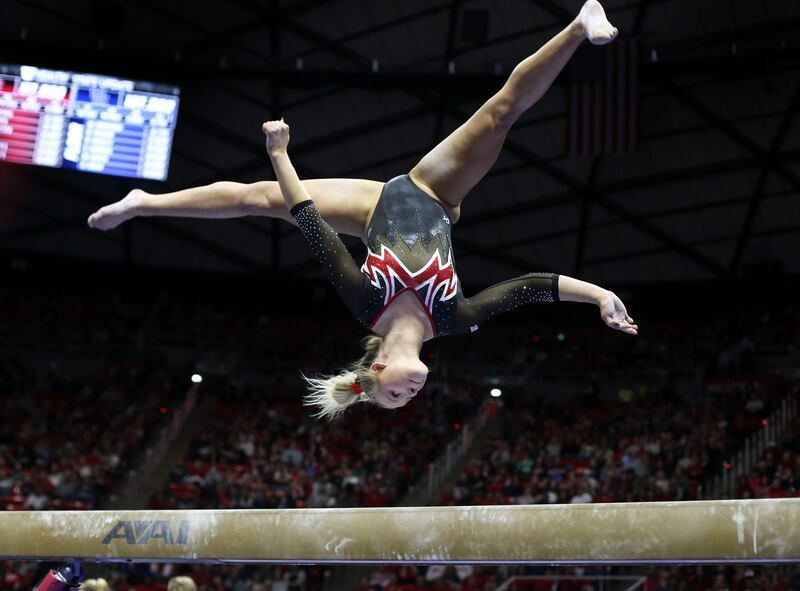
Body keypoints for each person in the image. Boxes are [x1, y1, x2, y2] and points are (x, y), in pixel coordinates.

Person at [89, 1, 636, 419]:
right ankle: (578, 27)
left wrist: (279, 155)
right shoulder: (454, 319)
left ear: (378, 366)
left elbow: (308, 221)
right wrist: (599, 296)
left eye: (394, 394)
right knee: (499, 116)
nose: (410, 394)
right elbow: (531, 287)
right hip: (434, 192)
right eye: (407, 399)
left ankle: (145, 203)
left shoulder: (366, 303)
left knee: (259, 198)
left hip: (370, 210)